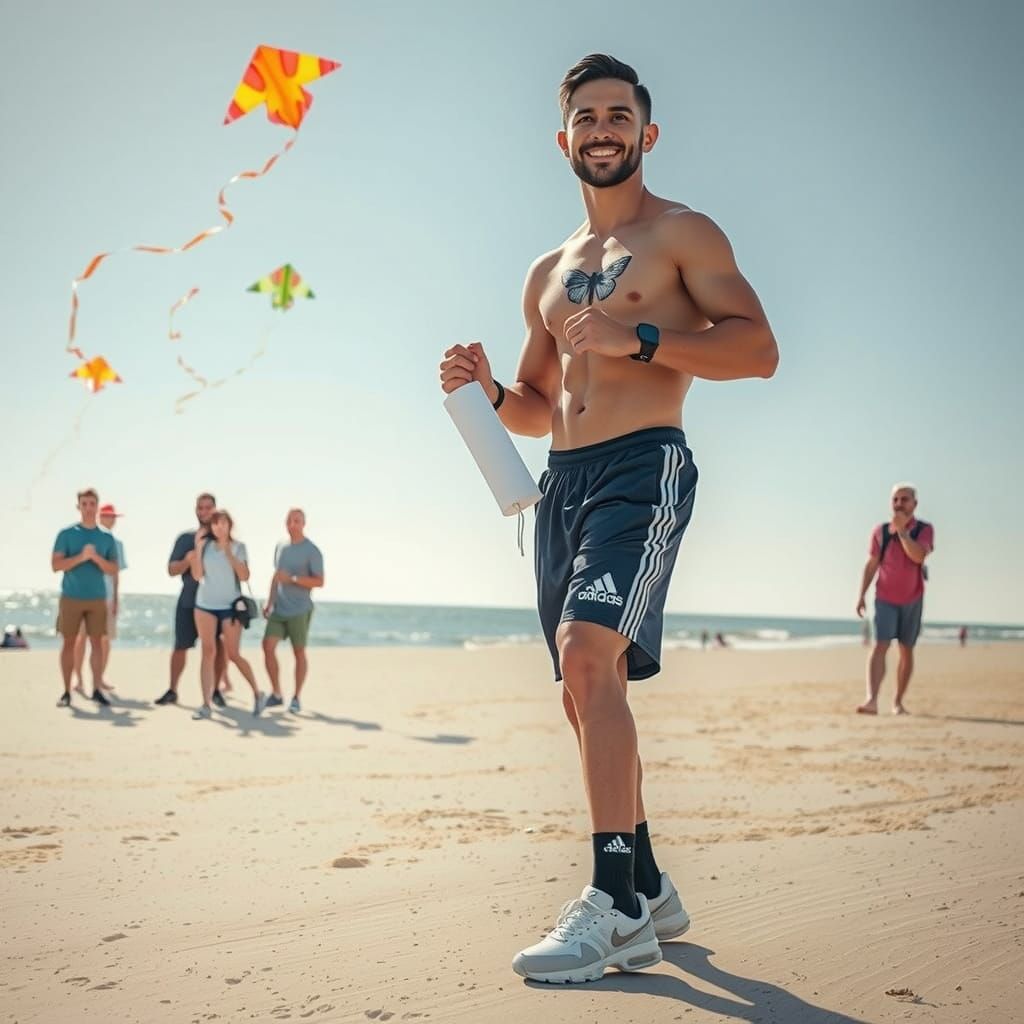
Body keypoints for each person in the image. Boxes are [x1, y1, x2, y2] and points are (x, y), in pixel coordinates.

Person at [438, 54, 778, 983]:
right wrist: (488, 387)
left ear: (646, 133)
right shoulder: (547, 273)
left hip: (643, 467)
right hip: (561, 482)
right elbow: (540, 404)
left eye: (618, 115)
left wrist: (648, 338)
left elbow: (759, 350)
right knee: (582, 691)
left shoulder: (683, 235)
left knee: (591, 659)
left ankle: (617, 906)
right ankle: (654, 881)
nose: (602, 128)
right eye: (586, 116)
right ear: (563, 140)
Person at [855, 483, 934, 715]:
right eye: (895, 500)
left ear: (914, 504)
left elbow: (918, 556)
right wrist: (861, 595)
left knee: (906, 650)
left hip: (913, 599)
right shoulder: (880, 532)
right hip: (884, 598)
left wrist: (901, 532)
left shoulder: (924, 530)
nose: (899, 504)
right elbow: (872, 564)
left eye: (904, 499)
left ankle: (898, 702)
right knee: (880, 645)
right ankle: (871, 700)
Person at [189, 509, 266, 720]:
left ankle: (258, 693)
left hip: (230, 606)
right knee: (208, 652)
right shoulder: (205, 547)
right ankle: (205, 704)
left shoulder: (239, 547)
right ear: (211, 527)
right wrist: (197, 548)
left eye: (223, 523)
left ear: (229, 525)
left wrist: (229, 553)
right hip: (204, 604)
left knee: (233, 654)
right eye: (215, 523)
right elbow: (197, 575)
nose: (219, 527)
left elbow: (244, 575)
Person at [155, 493, 226, 707]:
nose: (204, 512)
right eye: (200, 508)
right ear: (196, 510)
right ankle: (172, 689)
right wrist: (187, 561)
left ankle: (216, 690)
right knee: (180, 646)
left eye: (208, 508)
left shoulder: (223, 538)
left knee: (217, 646)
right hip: (188, 600)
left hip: (216, 603)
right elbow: (171, 569)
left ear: (215, 509)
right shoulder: (185, 538)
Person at [51, 488, 120, 708]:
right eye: (84, 504)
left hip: (97, 598)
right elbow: (56, 565)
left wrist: (96, 558)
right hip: (71, 597)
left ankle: (97, 689)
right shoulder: (66, 534)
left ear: (97, 507)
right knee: (69, 643)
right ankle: (66, 691)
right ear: (78, 506)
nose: (88, 508)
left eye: (92, 504)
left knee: (97, 643)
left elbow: (113, 569)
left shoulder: (106, 537)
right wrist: (81, 557)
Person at [262, 508, 325, 713]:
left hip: (300, 609)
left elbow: (320, 581)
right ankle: (276, 693)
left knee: (299, 652)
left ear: (303, 523)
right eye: (289, 520)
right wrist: (269, 602)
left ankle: (296, 697)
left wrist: (294, 579)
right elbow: (276, 575)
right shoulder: (281, 546)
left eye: (297, 521)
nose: (292, 524)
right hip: (279, 608)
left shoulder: (312, 550)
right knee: (267, 646)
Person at [72, 502, 126, 694]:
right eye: (106, 516)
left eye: (113, 517)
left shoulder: (117, 544)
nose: (110, 520)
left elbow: (116, 574)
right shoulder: (87, 540)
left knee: (105, 640)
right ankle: (78, 679)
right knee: (82, 638)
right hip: (86, 597)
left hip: (108, 598)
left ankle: (99, 677)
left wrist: (116, 600)